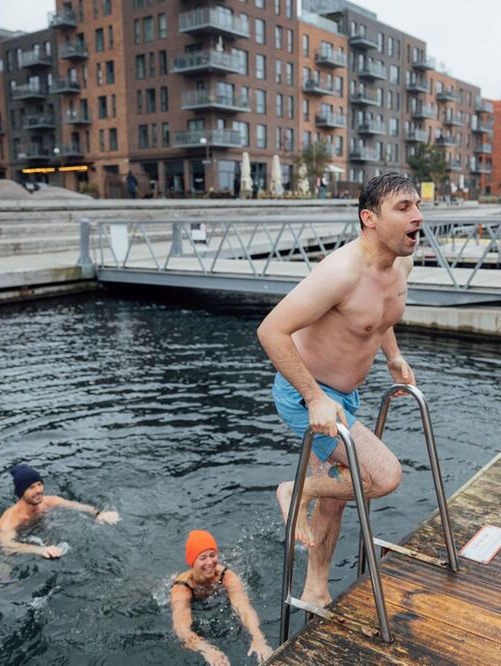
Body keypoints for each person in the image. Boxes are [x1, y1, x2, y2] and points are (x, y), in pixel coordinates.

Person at [257, 172, 419, 608]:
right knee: (383, 476)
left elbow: (378, 318)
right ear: (369, 218)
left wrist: (393, 357)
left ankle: (315, 589)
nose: (418, 217)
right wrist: (314, 397)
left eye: (418, 206)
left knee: (340, 494)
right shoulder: (341, 273)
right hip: (305, 394)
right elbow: (271, 330)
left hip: (345, 397)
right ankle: (297, 491)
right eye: (403, 208)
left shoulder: (402, 262)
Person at [171, 530, 273, 665]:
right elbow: (181, 628)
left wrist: (258, 637)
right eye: (202, 558)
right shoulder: (182, 587)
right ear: (192, 562)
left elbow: (243, 607)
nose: (209, 562)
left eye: (212, 555)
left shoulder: (226, 575)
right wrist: (207, 650)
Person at [0, 464, 120, 558]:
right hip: (22, 539)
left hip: (42, 531)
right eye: (31, 487)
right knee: (4, 567)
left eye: (39, 484)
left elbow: (75, 506)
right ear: (21, 492)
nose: (38, 490)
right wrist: (40, 550)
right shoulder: (9, 520)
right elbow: (7, 546)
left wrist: (99, 514)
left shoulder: (49, 501)